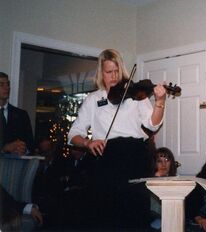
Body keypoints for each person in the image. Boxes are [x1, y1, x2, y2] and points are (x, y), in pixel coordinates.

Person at [67, 48, 167, 229]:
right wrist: (88, 143)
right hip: (106, 159)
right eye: (108, 72)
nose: (114, 76)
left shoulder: (135, 94)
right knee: (107, 217)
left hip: (135, 157)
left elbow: (153, 124)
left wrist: (160, 102)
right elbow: (73, 134)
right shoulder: (93, 99)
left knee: (135, 216)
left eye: (116, 71)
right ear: (101, 73)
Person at [0, 72, 34, 155]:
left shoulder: (21, 115)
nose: (6, 88)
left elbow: (31, 145)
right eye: (1, 85)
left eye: (8, 84)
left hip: (15, 166)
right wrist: (4, 149)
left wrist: (23, 149)